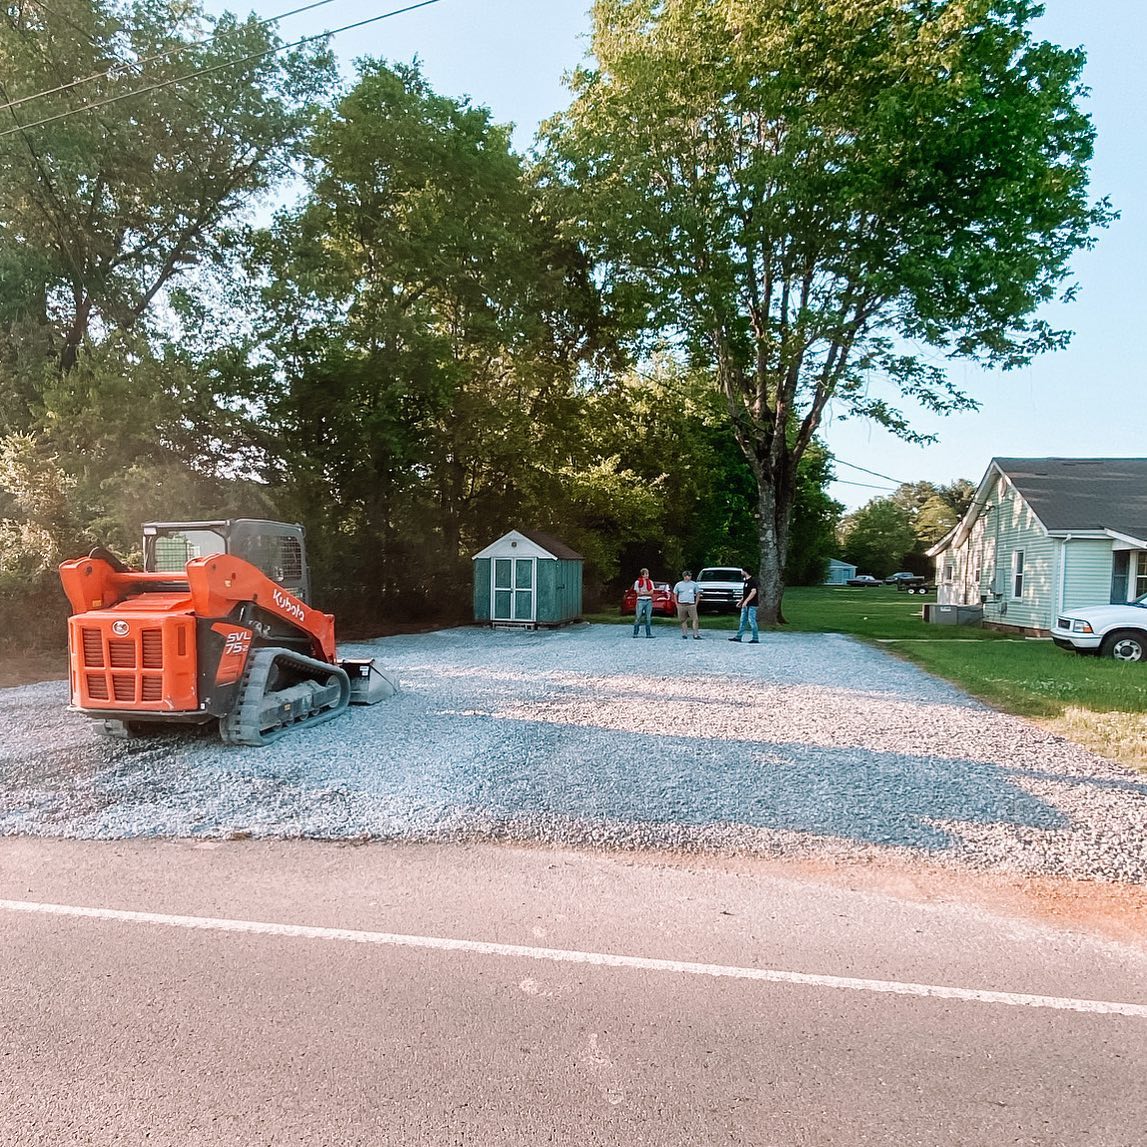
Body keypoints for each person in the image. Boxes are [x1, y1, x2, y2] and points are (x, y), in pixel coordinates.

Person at [729, 569, 760, 643]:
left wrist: (746, 601)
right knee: (742, 621)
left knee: (751, 621)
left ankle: (755, 638)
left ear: (745, 571)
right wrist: (740, 602)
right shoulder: (745, 581)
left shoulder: (752, 581)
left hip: (752, 605)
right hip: (745, 605)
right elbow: (746, 594)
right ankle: (738, 636)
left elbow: (753, 592)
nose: (741, 572)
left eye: (742, 571)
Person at [672, 570, 703, 640]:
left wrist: (696, 603)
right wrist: (677, 604)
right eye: (686, 576)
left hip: (691, 604)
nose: (688, 577)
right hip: (681, 604)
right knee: (683, 620)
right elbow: (675, 594)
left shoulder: (694, 584)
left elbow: (698, 593)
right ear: (684, 576)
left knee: (695, 619)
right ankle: (684, 634)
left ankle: (695, 634)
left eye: (689, 576)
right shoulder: (678, 584)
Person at [632, 567, 655, 638]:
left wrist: (644, 593)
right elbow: (638, 593)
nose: (647, 575)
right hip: (640, 601)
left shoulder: (650, 582)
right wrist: (646, 593)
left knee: (648, 617)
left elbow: (652, 592)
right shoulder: (638, 582)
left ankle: (648, 634)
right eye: (646, 574)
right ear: (642, 575)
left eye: (648, 574)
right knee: (638, 617)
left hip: (648, 600)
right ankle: (635, 633)